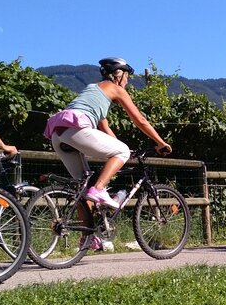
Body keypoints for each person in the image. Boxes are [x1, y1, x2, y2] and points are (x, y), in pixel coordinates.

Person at [43, 57, 171, 208]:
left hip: (58, 134)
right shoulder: (116, 89)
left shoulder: (93, 90)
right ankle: (99, 189)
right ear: (119, 75)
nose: (127, 82)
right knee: (116, 158)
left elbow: (105, 128)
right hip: (76, 128)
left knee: (83, 190)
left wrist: (122, 150)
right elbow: (140, 120)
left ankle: (87, 231)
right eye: (127, 78)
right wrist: (160, 142)